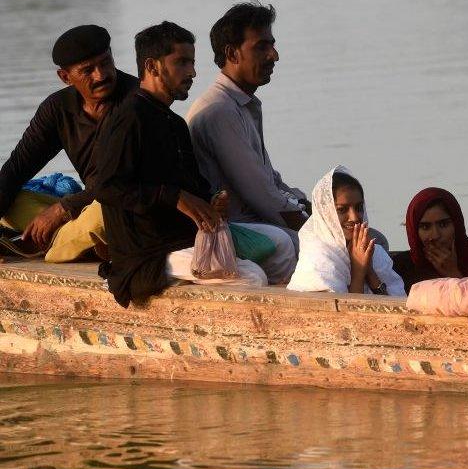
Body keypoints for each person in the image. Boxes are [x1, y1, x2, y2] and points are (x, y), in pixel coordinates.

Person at [95, 21, 268, 308]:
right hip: (147, 256)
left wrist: (211, 202)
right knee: (252, 277)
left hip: (185, 241)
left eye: (192, 63)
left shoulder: (174, 123)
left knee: (283, 248)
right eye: (182, 63)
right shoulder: (129, 119)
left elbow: (191, 186)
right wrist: (173, 197)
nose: (192, 72)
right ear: (152, 66)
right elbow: (108, 187)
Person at [0, 25, 139, 262]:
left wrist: (62, 209)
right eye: (88, 70)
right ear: (65, 77)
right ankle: (75, 242)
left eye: (106, 62)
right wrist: (63, 210)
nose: (101, 75)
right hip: (83, 209)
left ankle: (45, 246)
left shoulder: (138, 102)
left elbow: (122, 181)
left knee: (103, 215)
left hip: (124, 206)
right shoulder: (57, 109)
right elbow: (16, 169)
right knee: (13, 201)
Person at [187, 1, 307, 257]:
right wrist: (313, 227)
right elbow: (262, 196)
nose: (274, 55)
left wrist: (308, 204)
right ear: (232, 54)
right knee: (323, 247)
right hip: (238, 228)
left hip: (259, 221)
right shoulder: (220, 111)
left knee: (367, 237)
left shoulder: (239, 103)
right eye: (262, 47)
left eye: (272, 45)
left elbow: (270, 180)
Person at [287, 166, 405, 296]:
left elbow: (397, 308)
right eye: (342, 210)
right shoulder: (319, 262)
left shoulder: (375, 254)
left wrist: (370, 272)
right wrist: (359, 272)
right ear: (325, 213)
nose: (354, 217)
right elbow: (345, 314)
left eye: (359, 207)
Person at [392, 187, 468, 292]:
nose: (435, 235)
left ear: (456, 224)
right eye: (425, 227)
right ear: (414, 231)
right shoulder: (399, 268)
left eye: (443, 224)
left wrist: (453, 273)